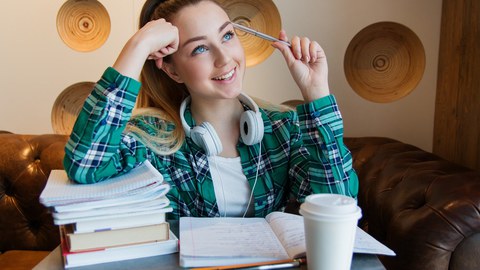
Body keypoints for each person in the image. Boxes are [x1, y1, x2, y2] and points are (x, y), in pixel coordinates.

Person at [63, 0, 358, 220]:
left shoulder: (284, 129)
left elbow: (338, 206)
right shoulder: (154, 141)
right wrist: (138, 47)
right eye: (200, 49)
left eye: (227, 36)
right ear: (173, 70)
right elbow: (85, 164)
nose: (224, 58)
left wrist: (316, 91)